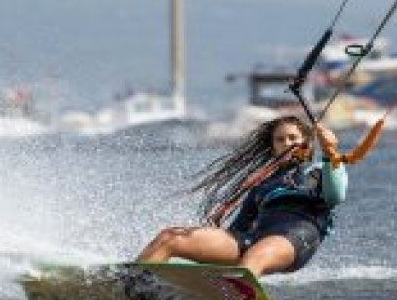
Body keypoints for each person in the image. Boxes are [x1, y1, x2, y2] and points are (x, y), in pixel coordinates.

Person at [136, 115, 347, 277]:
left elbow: (336, 195)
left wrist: (330, 153)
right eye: (280, 139)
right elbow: (237, 231)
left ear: (307, 144)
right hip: (254, 238)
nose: (286, 143)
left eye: (293, 138)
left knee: (255, 256)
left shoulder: (321, 170)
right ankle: (134, 285)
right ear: (273, 147)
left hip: (298, 237)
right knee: (170, 237)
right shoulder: (262, 184)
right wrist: (214, 248)